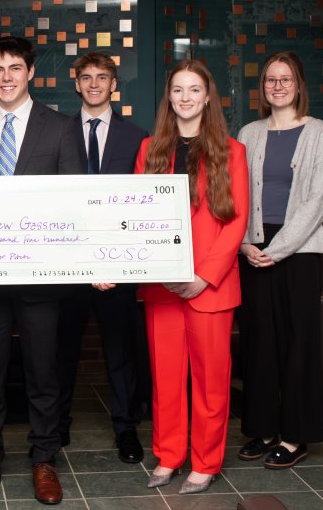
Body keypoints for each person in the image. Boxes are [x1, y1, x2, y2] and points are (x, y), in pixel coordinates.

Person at [0, 36, 84, 505]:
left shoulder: (61, 128)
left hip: (41, 279)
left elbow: (75, 202)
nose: (6, 77)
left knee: (42, 373)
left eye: (14, 68)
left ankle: (44, 459)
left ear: (31, 73)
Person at [130, 58, 248, 494]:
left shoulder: (232, 151)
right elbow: (138, 213)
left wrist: (205, 276)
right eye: (177, 90)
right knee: (166, 378)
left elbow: (235, 223)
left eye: (193, 89)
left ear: (207, 96)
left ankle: (206, 461)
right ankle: (169, 455)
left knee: (211, 379)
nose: (185, 97)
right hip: (162, 285)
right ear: (169, 97)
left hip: (209, 287)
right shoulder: (150, 149)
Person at [236, 51, 323, 469]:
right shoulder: (248, 132)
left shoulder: (318, 132)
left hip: (299, 252)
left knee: (298, 344)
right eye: (270, 80)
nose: (277, 86)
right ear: (263, 88)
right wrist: (243, 243)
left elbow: (318, 201)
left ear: (298, 86)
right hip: (252, 248)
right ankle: (262, 428)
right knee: (259, 342)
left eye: (286, 79)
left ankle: (295, 435)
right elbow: (235, 194)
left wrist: (277, 250)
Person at [57, 52, 147, 463]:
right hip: (66, 263)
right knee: (60, 350)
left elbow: (142, 203)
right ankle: (56, 427)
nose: (94, 84)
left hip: (118, 263)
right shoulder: (56, 133)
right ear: (76, 84)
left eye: (102, 77)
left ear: (114, 84)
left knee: (120, 351)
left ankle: (126, 429)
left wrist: (112, 259)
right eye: (87, 77)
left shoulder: (137, 138)